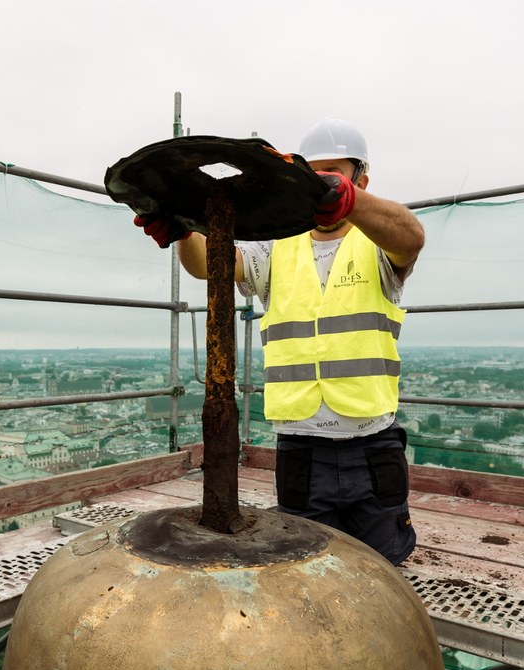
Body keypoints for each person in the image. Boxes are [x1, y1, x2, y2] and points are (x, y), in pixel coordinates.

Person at [136, 118, 425, 565]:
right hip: (300, 447)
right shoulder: (276, 249)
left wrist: (351, 205)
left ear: (360, 181)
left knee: (384, 564)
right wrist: (182, 231)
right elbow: (210, 264)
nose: (321, 184)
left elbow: (411, 236)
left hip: (370, 444)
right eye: (313, 173)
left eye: (335, 174)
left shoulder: (377, 242)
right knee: (304, 570)